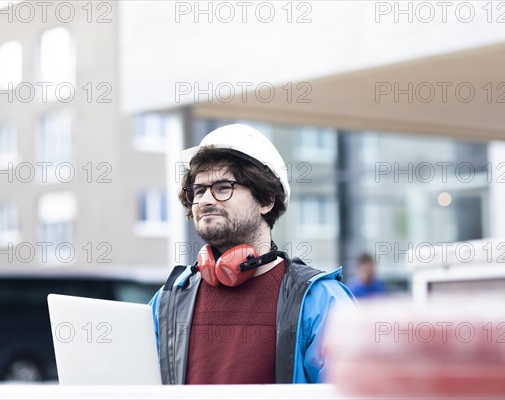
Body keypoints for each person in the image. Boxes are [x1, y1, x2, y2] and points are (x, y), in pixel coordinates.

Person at [149, 124, 355, 385]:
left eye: (223, 187)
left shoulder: (320, 301)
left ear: (266, 199)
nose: (205, 200)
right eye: (198, 191)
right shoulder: (167, 302)